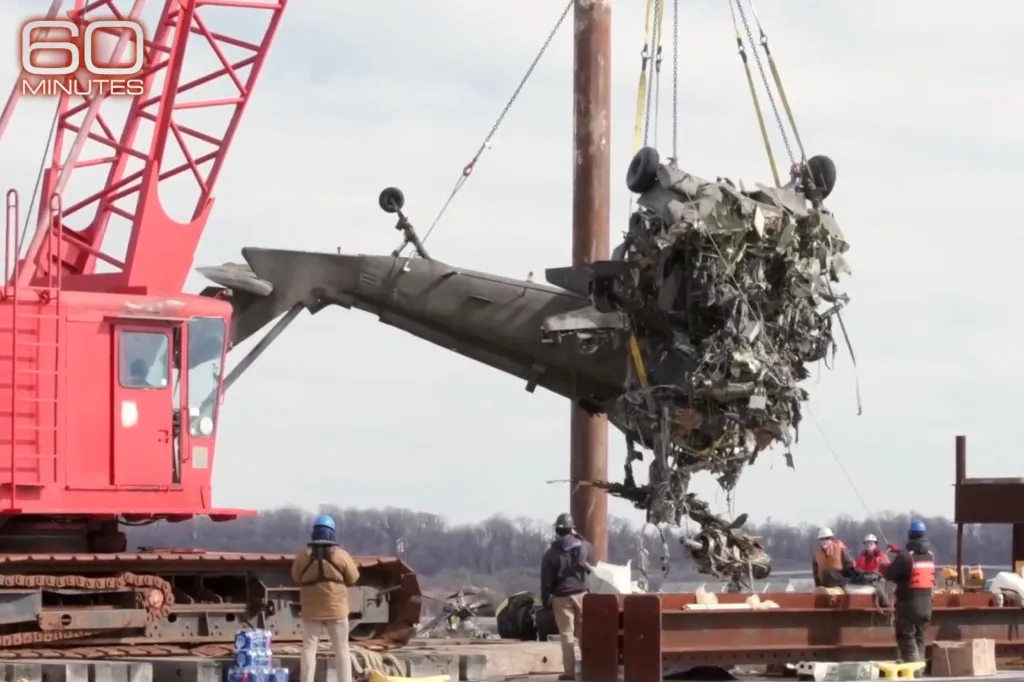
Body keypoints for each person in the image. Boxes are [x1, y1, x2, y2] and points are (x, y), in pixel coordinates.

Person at [291, 514, 361, 682]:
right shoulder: (341, 555)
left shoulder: (303, 555)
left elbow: (296, 577)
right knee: (342, 649)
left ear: (314, 533)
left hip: (311, 611)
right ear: (332, 533)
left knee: (309, 649)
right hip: (336, 611)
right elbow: (353, 578)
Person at [540, 513, 593, 681]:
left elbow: (546, 582)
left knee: (566, 634)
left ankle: (570, 672)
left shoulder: (550, 554)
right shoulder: (583, 547)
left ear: (557, 530)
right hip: (582, 595)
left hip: (561, 597)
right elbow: (588, 545)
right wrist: (577, 534)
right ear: (572, 529)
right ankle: (589, 669)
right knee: (584, 632)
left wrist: (545, 600)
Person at [884, 519, 936, 665]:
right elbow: (912, 561)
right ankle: (920, 666)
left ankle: (914, 669)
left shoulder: (905, 556)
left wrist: (886, 564)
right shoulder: (930, 555)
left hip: (909, 605)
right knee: (920, 637)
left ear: (909, 534)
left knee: (906, 636)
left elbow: (890, 574)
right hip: (927, 606)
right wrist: (899, 552)